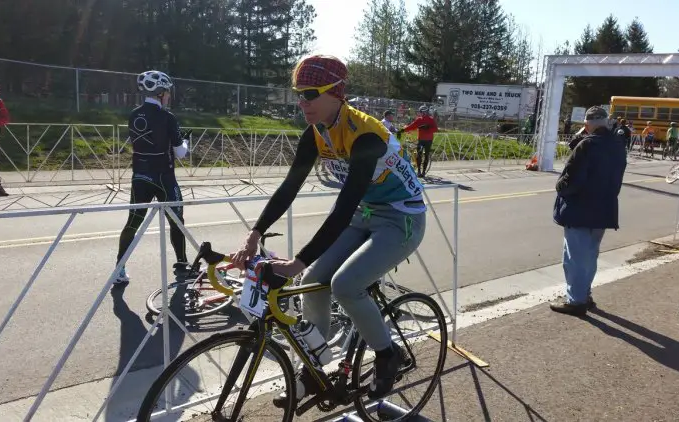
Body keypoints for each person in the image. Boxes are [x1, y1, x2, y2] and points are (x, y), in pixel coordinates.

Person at [230, 55, 426, 406]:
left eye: (309, 93)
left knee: (345, 285)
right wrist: (256, 232)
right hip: (364, 214)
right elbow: (290, 187)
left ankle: (386, 354)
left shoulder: (366, 134)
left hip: (400, 219)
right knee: (315, 284)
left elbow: (344, 205)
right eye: (297, 94)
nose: (301, 102)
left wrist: (297, 261)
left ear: (336, 93)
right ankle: (315, 369)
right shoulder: (317, 132)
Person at [114, 70, 190, 284]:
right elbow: (180, 153)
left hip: (140, 175)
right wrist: (185, 142)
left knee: (133, 222)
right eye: (167, 93)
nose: (168, 96)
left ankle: (119, 268)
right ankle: (182, 263)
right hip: (164, 177)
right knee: (176, 220)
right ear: (160, 93)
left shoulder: (133, 114)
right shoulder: (167, 117)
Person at [550, 106, 627, 316]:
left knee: (574, 258)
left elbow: (572, 180)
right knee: (590, 255)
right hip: (604, 208)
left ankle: (576, 301)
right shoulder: (618, 145)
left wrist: (559, 187)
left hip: (580, 208)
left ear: (587, 125)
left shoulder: (587, 145)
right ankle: (585, 294)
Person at [398, 105, 438, 177]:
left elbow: (435, 129)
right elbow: (412, 126)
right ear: (420, 112)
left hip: (429, 140)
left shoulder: (431, 120)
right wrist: (402, 130)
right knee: (419, 154)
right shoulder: (419, 120)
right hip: (421, 139)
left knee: (426, 155)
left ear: (427, 112)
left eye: (425, 112)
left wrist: (427, 128)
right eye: (422, 112)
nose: (423, 113)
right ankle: (419, 170)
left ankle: (423, 171)